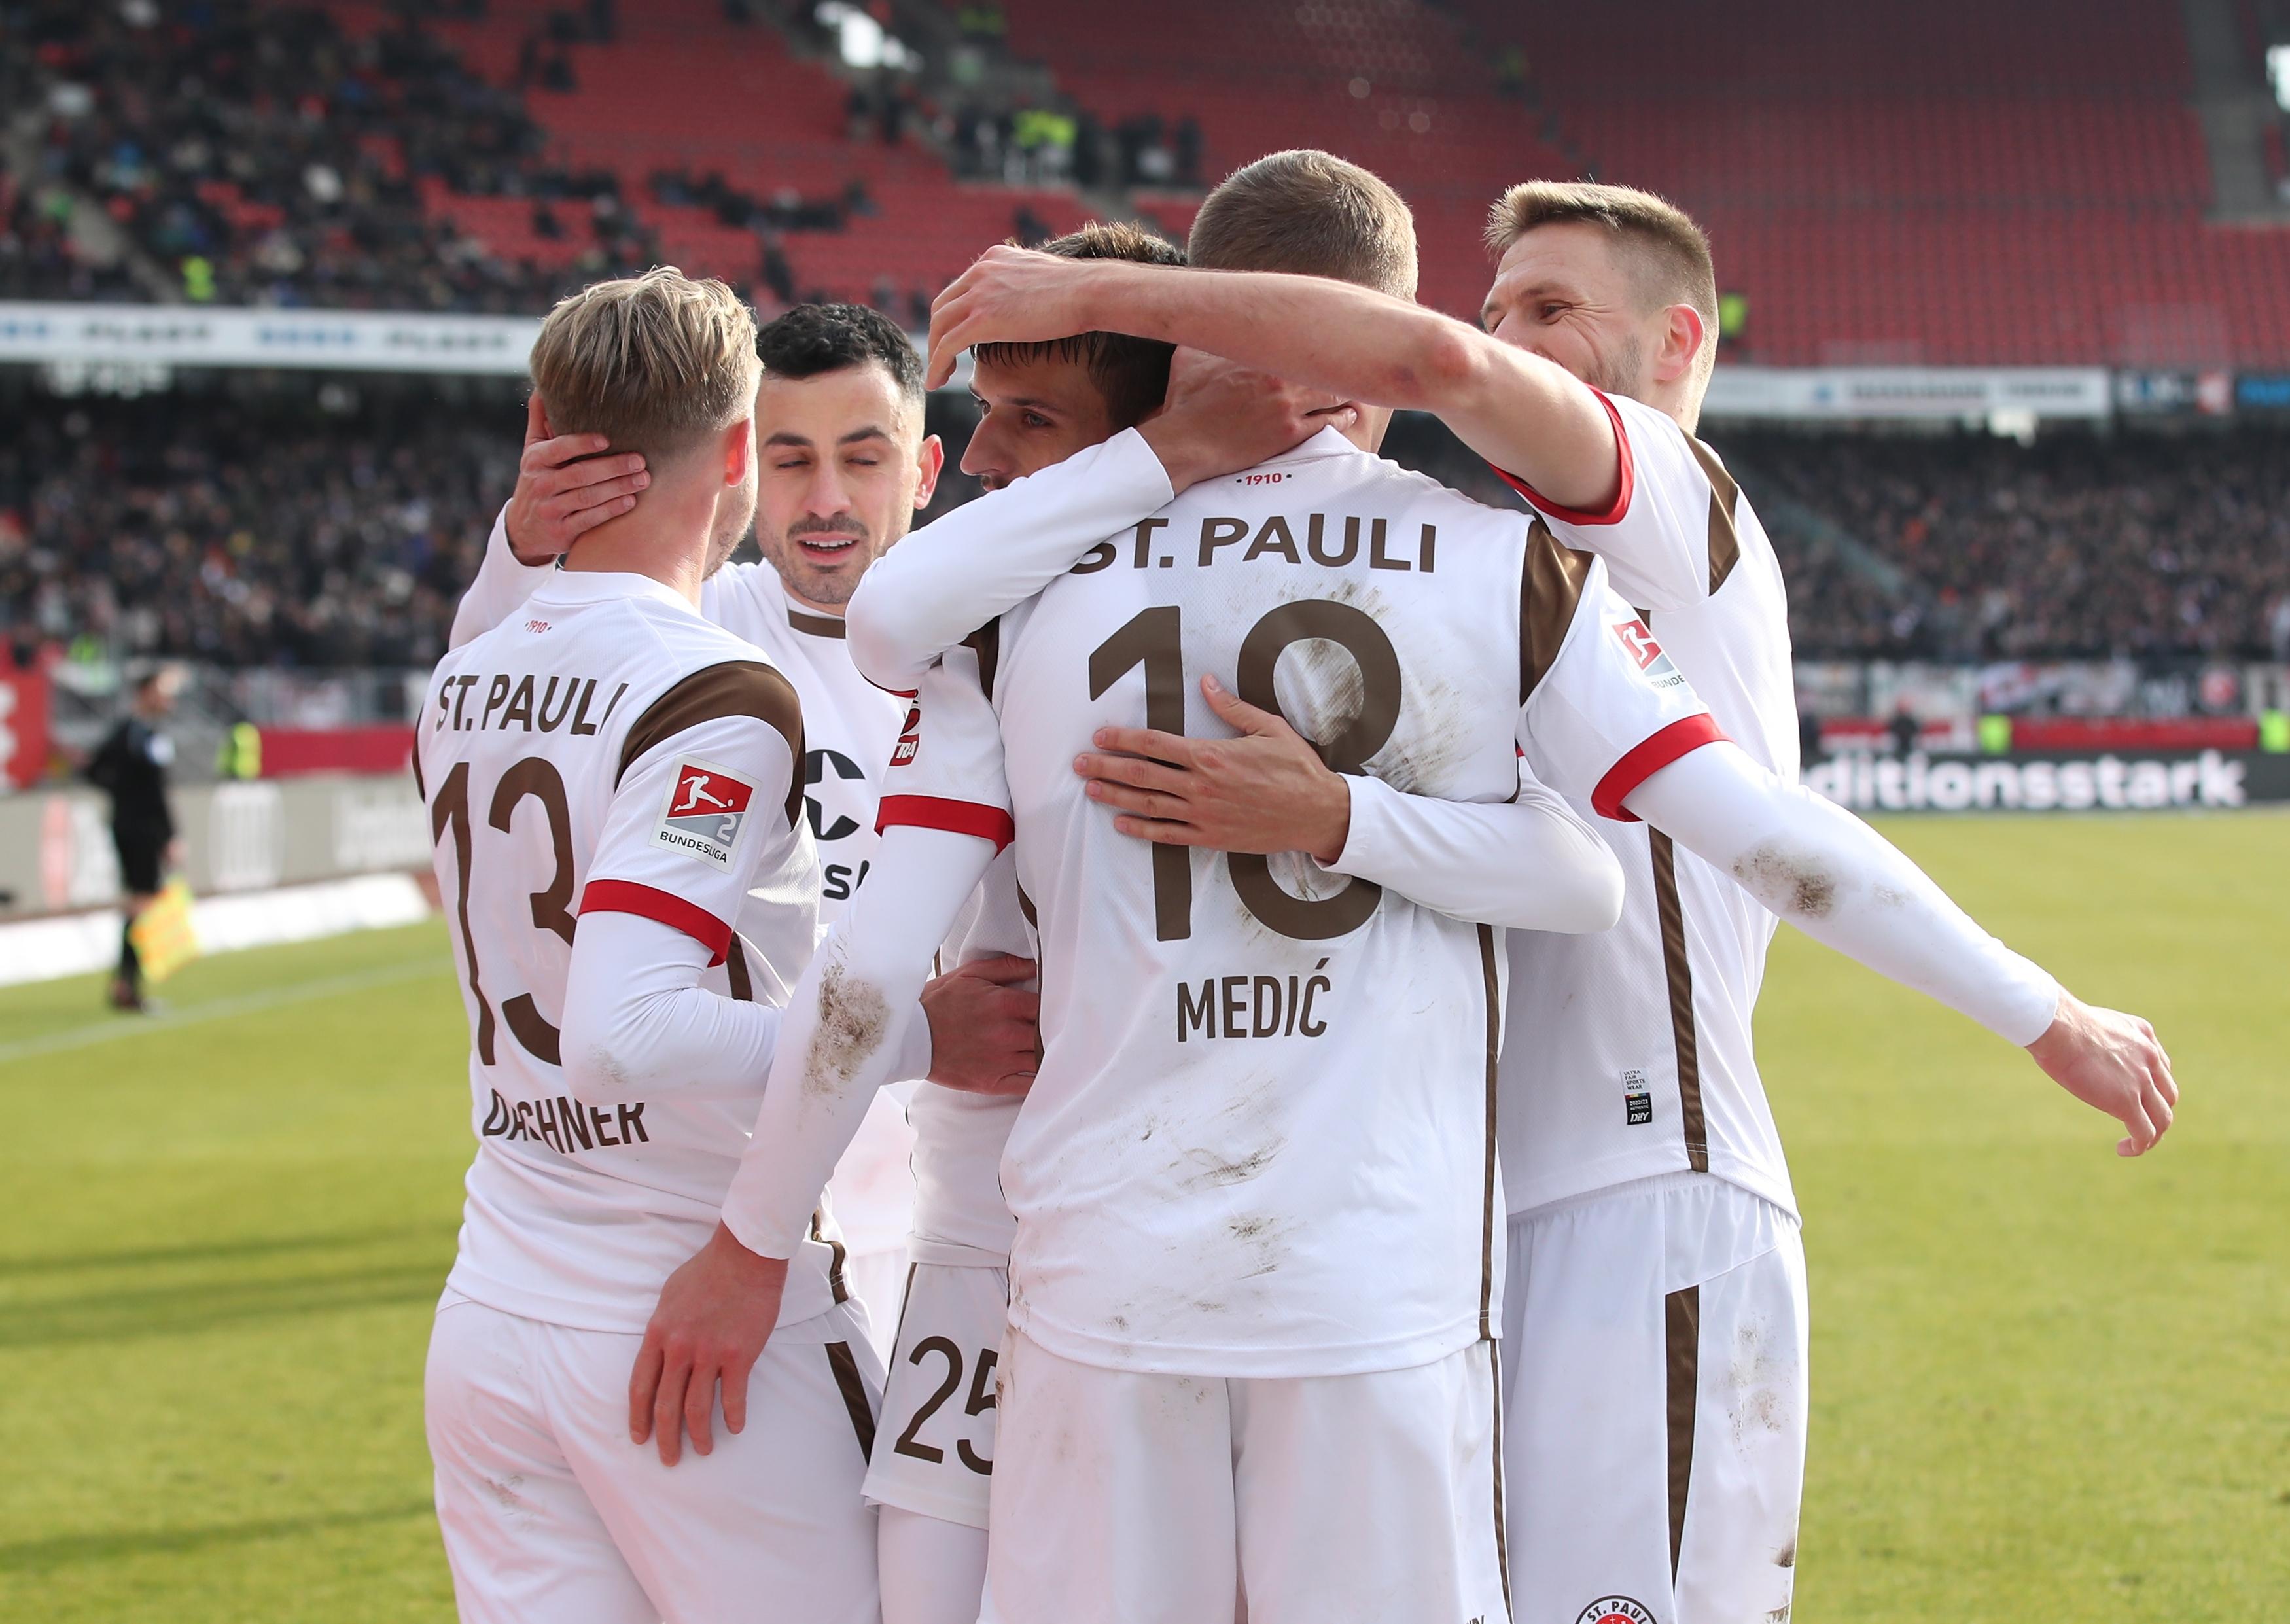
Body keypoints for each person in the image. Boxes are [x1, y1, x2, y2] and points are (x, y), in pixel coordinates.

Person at [836, 150, 2177, 1622]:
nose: (1504, 344)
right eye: (1495, 307)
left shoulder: (1654, 491)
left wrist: (2038, 1010)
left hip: (1633, 1185)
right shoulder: (1479, 555)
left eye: (1549, 308)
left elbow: (1749, 833)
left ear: (1675, 344)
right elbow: (1566, 863)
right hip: (1433, 1219)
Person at [552, 225, 1626, 1624]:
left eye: (1026, 422)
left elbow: (871, 947)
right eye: (976, 419)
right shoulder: (909, 602)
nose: (987, 456)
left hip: (1083, 1253)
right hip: (1028, 1243)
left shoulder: (1009, 625)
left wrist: (751, 1239)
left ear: (1155, 428)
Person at [416, 268, 1034, 1624]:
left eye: (863, 457)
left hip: (529, 1296)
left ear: (925, 469)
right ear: (746, 451)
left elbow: (499, 654)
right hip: (717, 1272)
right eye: (794, 454)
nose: (822, 499)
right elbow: (628, 1021)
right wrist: (923, 1032)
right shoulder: (719, 658)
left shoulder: (465, 673)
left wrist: (522, 556)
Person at [85, 665, 182, 1012]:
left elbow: (95, 770)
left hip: (133, 826)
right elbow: (151, 790)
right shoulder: (135, 734)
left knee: (138, 903)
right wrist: (168, 835)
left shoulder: (137, 733)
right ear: (145, 693)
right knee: (142, 903)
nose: (168, 698)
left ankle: (125, 984)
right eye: (161, 690)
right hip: (140, 829)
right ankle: (128, 986)